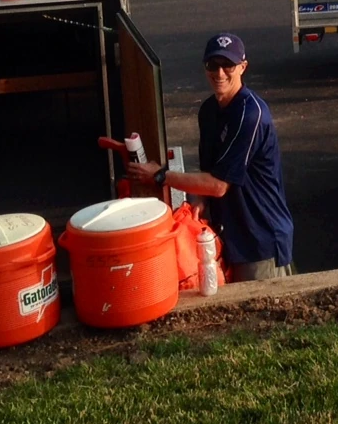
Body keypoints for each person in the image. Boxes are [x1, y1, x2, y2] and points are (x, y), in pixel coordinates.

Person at [126, 32, 294, 282]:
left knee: (261, 319)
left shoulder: (251, 115)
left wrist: (161, 175)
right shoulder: (208, 111)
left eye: (228, 65)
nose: (220, 73)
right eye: (212, 65)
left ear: (243, 67)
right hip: (227, 238)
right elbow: (208, 173)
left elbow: (218, 186)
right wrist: (197, 199)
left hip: (260, 243)